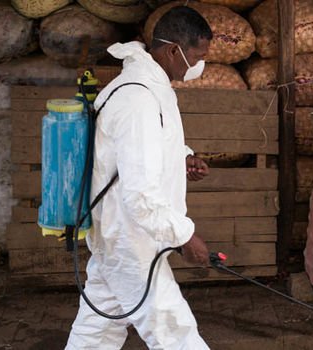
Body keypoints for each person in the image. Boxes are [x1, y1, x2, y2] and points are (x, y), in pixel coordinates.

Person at [66, 6, 213, 349]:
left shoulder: (149, 87)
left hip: (123, 236)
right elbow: (140, 196)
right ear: (173, 50)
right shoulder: (137, 97)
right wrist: (184, 236)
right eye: (198, 56)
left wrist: (183, 158)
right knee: (174, 331)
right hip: (130, 239)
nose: (200, 66)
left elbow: (143, 148)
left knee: (96, 332)